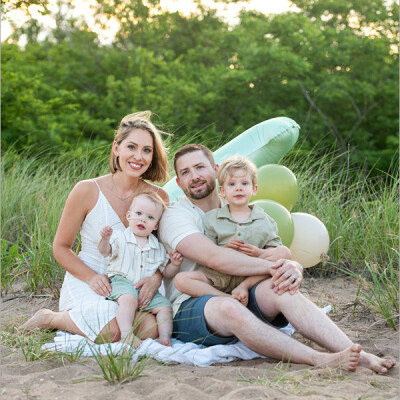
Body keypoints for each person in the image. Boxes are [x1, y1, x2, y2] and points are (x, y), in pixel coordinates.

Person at [159, 143, 396, 373]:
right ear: (179, 182)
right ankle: (319, 359)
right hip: (193, 303)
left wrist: (291, 266)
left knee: (280, 287)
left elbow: (271, 246)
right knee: (230, 306)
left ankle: (359, 355)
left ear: (216, 169)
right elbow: (215, 257)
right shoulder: (175, 216)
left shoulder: (238, 202)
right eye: (185, 172)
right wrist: (276, 266)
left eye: (200, 167)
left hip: (242, 288)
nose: (194, 176)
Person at [21, 111, 171, 344]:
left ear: (152, 157)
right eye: (131, 147)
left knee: (152, 328)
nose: (138, 156)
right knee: (112, 332)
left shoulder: (159, 197)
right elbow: (61, 247)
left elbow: (161, 251)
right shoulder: (87, 190)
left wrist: (155, 278)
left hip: (134, 280)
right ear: (116, 148)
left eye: (146, 150)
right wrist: (91, 278)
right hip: (91, 275)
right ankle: (50, 318)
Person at [174, 155, 289, 306]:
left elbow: (274, 254)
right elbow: (209, 254)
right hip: (220, 275)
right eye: (232, 184)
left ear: (254, 189)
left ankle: (244, 288)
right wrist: (224, 249)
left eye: (244, 183)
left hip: (253, 274)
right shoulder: (212, 219)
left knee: (284, 252)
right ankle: (227, 298)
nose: (239, 188)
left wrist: (258, 253)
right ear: (222, 191)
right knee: (181, 280)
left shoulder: (265, 220)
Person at [98, 192, 183, 347]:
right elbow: (104, 252)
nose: (143, 219)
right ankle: (126, 335)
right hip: (121, 280)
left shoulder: (157, 247)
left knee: (165, 307)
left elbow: (166, 273)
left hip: (146, 289)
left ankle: (165, 338)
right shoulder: (119, 236)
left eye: (150, 217)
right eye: (138, 213)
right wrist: (105, 239)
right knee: (128, 299)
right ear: (129, 215)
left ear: (156, 225)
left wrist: (175, 265)